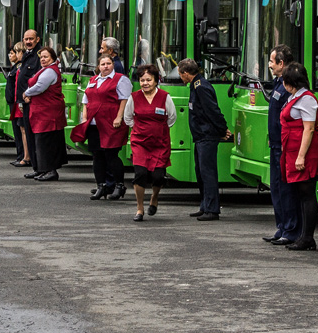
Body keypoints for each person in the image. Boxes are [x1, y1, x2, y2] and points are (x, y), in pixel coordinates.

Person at [278, 62, 318, 251]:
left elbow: (309, 128)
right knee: (300, 194)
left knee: (307, 194)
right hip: (293, 151)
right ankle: (303, 235)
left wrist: (301, 156)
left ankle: (307, 237)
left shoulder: (306, 99)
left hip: (303, 153)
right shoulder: (295, 97)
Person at [178, 59, 228, 221]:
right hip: (200, 136)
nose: (180, 78)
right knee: (200, 172)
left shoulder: (201, 87)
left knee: (208, 173)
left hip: (207, 136)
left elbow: (213, 110)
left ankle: (212, 209)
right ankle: (205, 205)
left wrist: (222, 129)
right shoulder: (195, 86)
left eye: (180, 74)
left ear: (186, 73)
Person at [124, 63, 176, 221]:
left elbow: (172, 118)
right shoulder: (134, 97)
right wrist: (141, 129)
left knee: (158, 176)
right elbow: (128, 118)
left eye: (148, 80)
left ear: (155, 81)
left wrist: (157, 130)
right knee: (140, 174)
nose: (145, 83)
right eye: (142, 80)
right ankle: (139, 209)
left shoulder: (165, 97)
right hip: (140, 143)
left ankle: (154, 197)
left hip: (160, 143)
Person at [79, 54, 132, 200]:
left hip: (111, 122)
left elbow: (124, 100)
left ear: (113, 65)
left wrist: (119, 117)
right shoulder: (93, 80)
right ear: (98, 66)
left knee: (111, 155)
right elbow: (86, 100)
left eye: (108, 63)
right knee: (97, 155)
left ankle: (119, 186)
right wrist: (84, 119)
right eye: (103, 64)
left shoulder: (121, 79)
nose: (106, 66)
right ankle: (101, 186)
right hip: (94, 123)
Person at [263, 45, 299, 245]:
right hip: (275, 144)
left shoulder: (288, 85)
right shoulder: (279, 83)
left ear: (281, 63)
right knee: (276, 188)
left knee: (286, 190)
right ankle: (282, 227)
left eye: (271, 61)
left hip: (284, 146)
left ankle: (291, 229)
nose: (269, 65)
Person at [22, 45, 65, 181]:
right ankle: (41, 169)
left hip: (48, 113)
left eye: (46, 57)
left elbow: (40, 87)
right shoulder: (44, 70)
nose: (43, 59)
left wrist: (26, 93)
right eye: (41, 57)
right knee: (39, 141)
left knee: (46, 141)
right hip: (41, 111)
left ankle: (50, 170)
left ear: (53, 58)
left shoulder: (50, 71)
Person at [13, 31, 41, 165]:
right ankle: (34, 165)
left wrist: (28, 94)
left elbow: (37, 79)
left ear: (37, 39)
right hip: (24, 100)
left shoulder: (39, 55)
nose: (28, 41)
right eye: (26, 39)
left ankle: (37, 165)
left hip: (32, 100)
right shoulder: (28, 54)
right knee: (28, 133)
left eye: (31, 39)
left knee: (33, 133)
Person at [6, 42, 30, 167]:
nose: (11, 55)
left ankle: (24, 156)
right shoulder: (16, 66)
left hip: (18, 101)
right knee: (18, 130)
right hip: (14, 101)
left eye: (15, 52)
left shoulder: (21, 67)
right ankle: (20, 154)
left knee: (22, 130)